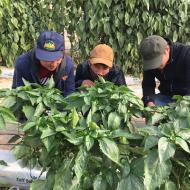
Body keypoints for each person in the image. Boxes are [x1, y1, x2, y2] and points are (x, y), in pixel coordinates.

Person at [12, 31, 75, 96]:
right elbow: (18, 92)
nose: (53, 64)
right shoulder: (23, 63)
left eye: (57, 59)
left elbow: (70, 93)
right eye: (48, 59)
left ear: (62, 54)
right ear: (38, 55)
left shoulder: (68, 65)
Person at [140, 35, 190, 106]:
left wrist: (182, 106)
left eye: (157, 62)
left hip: (186, 98)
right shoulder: (149, 59)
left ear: (167, 50)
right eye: (152, 63)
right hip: (165, 96)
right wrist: (149, 102)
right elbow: (148, 85)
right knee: (144, 106)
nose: (155, 66)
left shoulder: (186, 54)